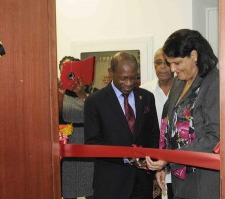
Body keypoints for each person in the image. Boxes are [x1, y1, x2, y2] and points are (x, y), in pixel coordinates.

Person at [145, 29, 220, 199]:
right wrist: (163, 162)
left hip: (203, 181)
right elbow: (168, 123)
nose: (172, 69)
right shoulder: (179, 82)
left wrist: (170, 158)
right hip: (181, 180)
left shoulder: (214, 82)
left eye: (177, 63)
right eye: (170, 63)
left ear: (194, 55)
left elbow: (214, 138)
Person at [84, 51, 160, 199]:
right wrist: (127, 157)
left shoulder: (146, 98)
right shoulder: (95, 101)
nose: (129, 83)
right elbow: (92, 144)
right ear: (111, 72)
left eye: (133, 78)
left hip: (142, 182)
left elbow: (153, 135)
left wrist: (153, 169)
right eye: (123, 78)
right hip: (111, 183)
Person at [58, 56, 97, 199]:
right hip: (67, 146)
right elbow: (54, 114)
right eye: (63, 69)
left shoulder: (92, 91)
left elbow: (96, 112)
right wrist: (60, 93)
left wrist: (80, 92)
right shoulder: (56, 93)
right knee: (68, 191)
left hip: (87, 144)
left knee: (91, 191)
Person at [140, 48, 174, 199]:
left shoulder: (185, 89)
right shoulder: (144, 91)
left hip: (178, 163)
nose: (162, 67)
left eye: (166, 62)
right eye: (158, 63)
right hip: (152, 164)